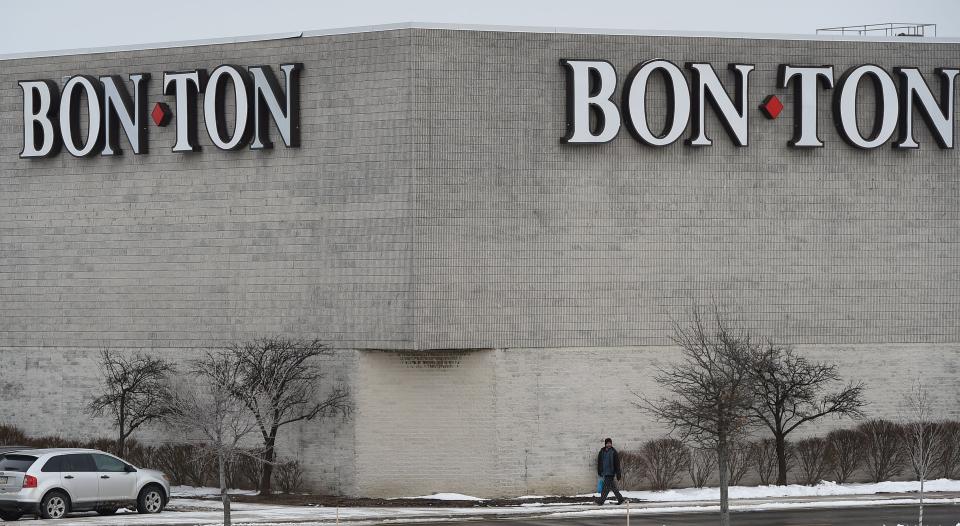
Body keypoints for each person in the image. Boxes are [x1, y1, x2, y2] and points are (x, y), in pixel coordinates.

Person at [596, 437, 625, 505]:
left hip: (610, 472)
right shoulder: (602, 451)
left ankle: (601, 501)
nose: (609, 444)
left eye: (610, 443)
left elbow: (617, 463)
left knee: (605, 488)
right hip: (604, 472)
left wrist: (618, 473)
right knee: (613, 487)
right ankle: (620, 499)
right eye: (608, 443)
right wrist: (599, 470)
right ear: (605, 444)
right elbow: (599, 462)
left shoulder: (613, 452)